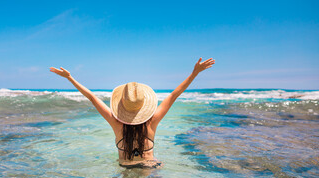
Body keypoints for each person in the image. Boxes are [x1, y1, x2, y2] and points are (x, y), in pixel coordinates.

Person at [50, 57, 215, 168]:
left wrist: (70, 78)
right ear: (144, 106)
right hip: (151, 167)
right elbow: (173, 95)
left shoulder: (116, 124)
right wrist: (194, 73)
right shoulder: (152, 122)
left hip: (126, 168)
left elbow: (92, 97)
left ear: (122, 105)